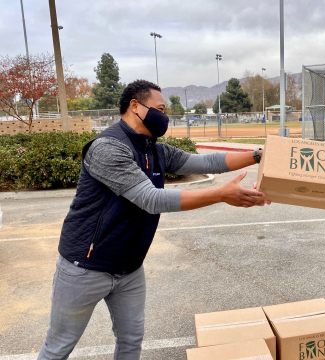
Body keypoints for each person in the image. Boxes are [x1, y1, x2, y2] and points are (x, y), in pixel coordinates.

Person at [38, 80, 268, 360]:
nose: (165, 116)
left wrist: (258, 156)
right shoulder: (107, 148)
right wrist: (220, 194)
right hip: (85, 268)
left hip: (130, 269)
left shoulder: (156, 151)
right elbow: (151, 199)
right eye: (159, 108)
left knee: (131, 342)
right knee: (58, 348)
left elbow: (207, 163)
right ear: (135, 106)